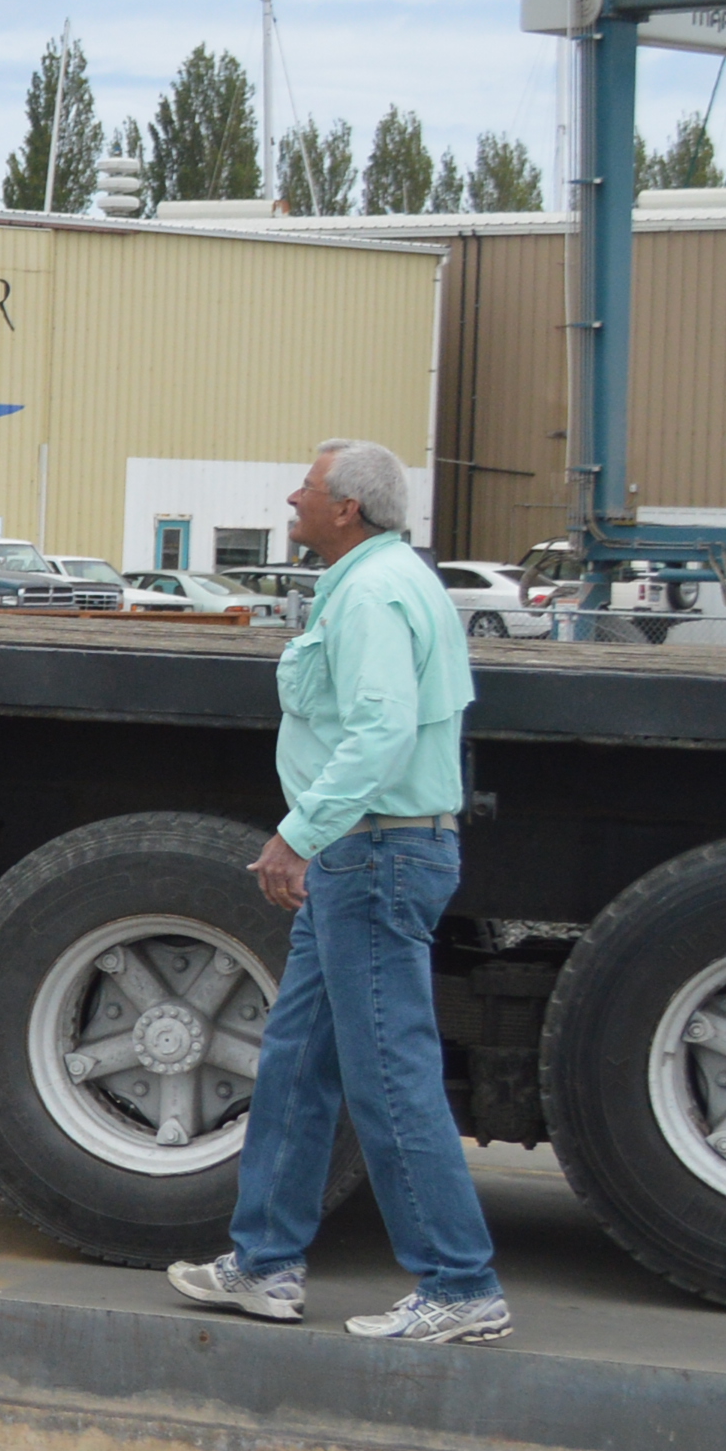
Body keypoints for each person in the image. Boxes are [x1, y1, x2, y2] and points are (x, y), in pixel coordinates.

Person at [170, 440, 508, 1345]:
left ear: (348, 508)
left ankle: (460, 1283)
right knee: (297, 1063)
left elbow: (381, 728)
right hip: (374, 855)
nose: (292, 496)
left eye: (308, 489)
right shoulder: (388, 577)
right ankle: (264, 1264)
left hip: (373, 855)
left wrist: (299, 834)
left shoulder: (367, 592)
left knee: (387, 1074)